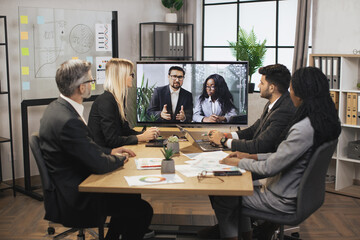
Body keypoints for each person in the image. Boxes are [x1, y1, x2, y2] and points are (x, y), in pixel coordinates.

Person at [210, 67, 341, 240]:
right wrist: (251, 157)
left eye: (292, 89)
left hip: (282, 199)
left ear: (301, 94)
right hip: (299, 194)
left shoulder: (303, 129)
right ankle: (246, 235)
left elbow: (270, 167)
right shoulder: (322, 122)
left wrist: (238, 163)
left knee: (223, 194)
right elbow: (283, 155)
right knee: (233, 190)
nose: (289, 93)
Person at [39, 59, 153, 240]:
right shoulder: (69, 120)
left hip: (71, 184)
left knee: (131, 198)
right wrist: (121, 159)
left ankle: (112, 236)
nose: (93, 84)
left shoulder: (57, 109)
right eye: (90, 81)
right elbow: (98, 164)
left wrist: (111, 152)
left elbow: (85, 149)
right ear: (81, 88)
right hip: (78, 196)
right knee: (142, 210)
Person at [208, 64, 296, 154]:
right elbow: (254, 130)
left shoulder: (284, 111)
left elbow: (259, 146)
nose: (258, 86)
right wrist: (227, 135)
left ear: (271, 88)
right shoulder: (273, 103)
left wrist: (223, 141)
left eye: (262, 83)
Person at [88, 58, 159, 148]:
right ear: (121, 76)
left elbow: (125, 131)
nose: (132, 78)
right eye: (131, 74)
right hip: (103, 155)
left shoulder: (117, 99)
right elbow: (112, 140)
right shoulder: (106, 101)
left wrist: (146, 135)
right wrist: (141, 137)